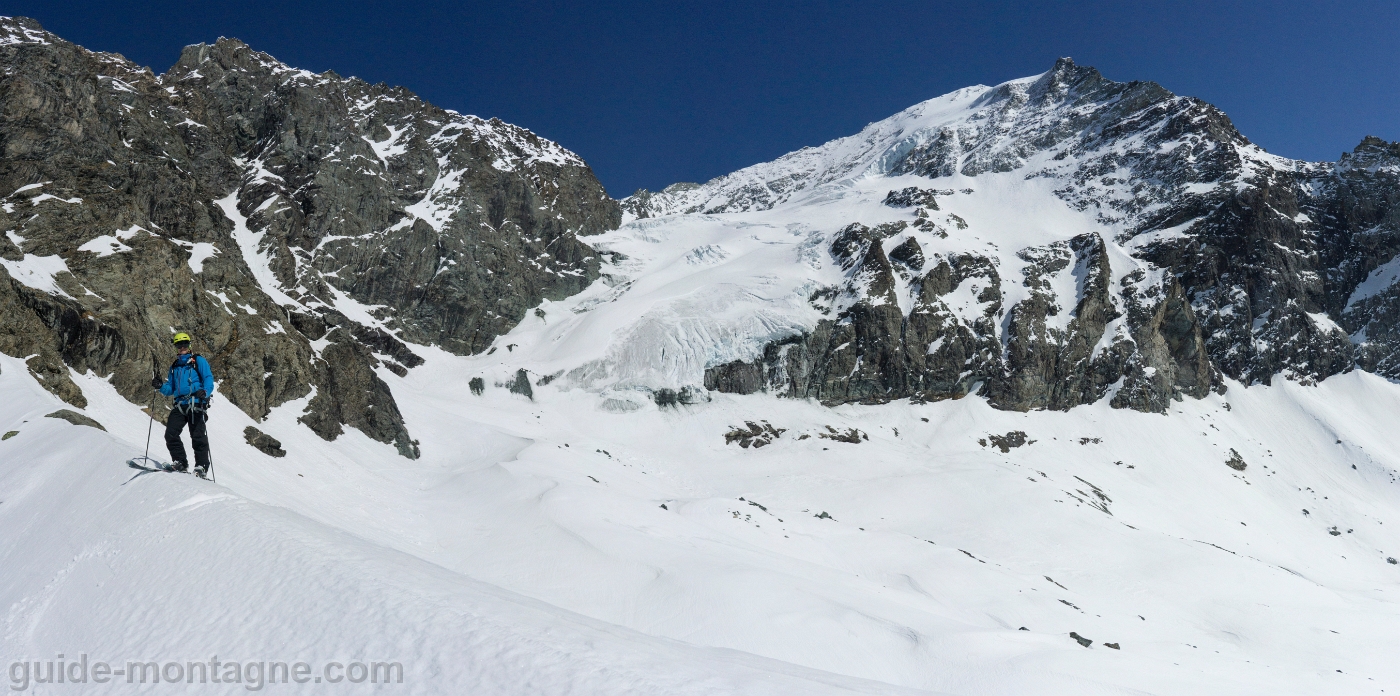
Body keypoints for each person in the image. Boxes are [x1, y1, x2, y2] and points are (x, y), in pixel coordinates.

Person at [151, 332, 216, 477]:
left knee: (198, 436)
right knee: (170, 434)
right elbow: (170, 389)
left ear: (189, 345)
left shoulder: (198, 361)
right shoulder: (175, 366)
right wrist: (160, 386)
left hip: (196, 403)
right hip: (180, 404)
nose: (182, 347)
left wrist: (205, 392)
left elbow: (208, 379)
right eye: (179, 345)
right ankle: (180, 462)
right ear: (175, 347)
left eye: (184, 344)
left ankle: (201, 467)